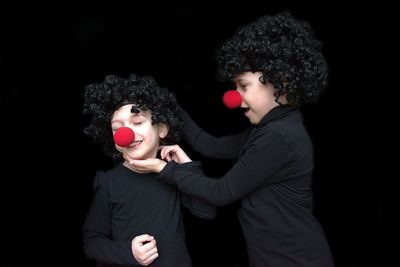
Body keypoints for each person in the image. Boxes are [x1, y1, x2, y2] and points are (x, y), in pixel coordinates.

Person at [124, 11, 335, 267]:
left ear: (281, 82)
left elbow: (221, 192)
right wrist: (169, 105)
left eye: (243, 86)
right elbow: (209, 146)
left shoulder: (280, 137)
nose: (234, 98)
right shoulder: (271, 128)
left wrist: (163, 168)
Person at [82, 74, 216, 267]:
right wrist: (128, 252)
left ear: (161, 129)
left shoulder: (173, 174)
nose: (125, 134)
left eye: (137, 123)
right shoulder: (108, 182)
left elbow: (207, 210)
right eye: (117, 128)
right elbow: (92, 242)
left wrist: (186, 166)